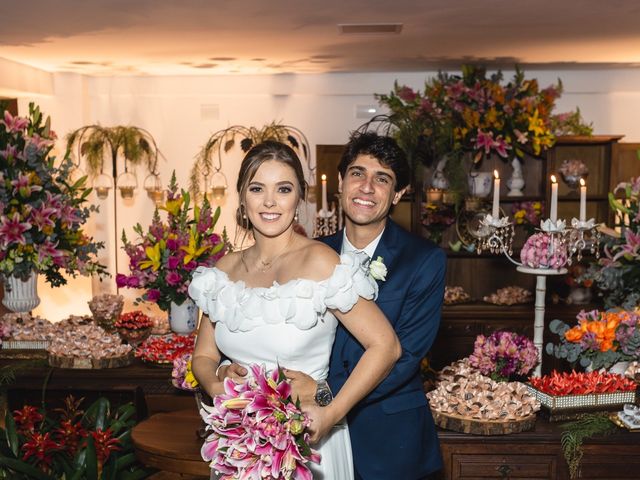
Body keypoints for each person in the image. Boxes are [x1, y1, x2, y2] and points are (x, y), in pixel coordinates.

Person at [188, 140, 401, 479]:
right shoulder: (222, 271)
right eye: (257, 188)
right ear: (243, 198)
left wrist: (332, 413)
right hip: (238, 445)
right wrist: (217, 386)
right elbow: (203, 356)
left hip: (306, 443)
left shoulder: (321, 262)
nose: (270, 202)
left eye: (283, 189)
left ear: (299, 197)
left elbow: (386, 346)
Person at [285, 132, 446, 479]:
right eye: (358, 173)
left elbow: (403, 357)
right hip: (311, 441)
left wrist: (324, 391)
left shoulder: (424, 260)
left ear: (398, 194)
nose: (367, 187)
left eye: (382, 178)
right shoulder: (310, 253)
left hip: (390, 442)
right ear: (341, 183)